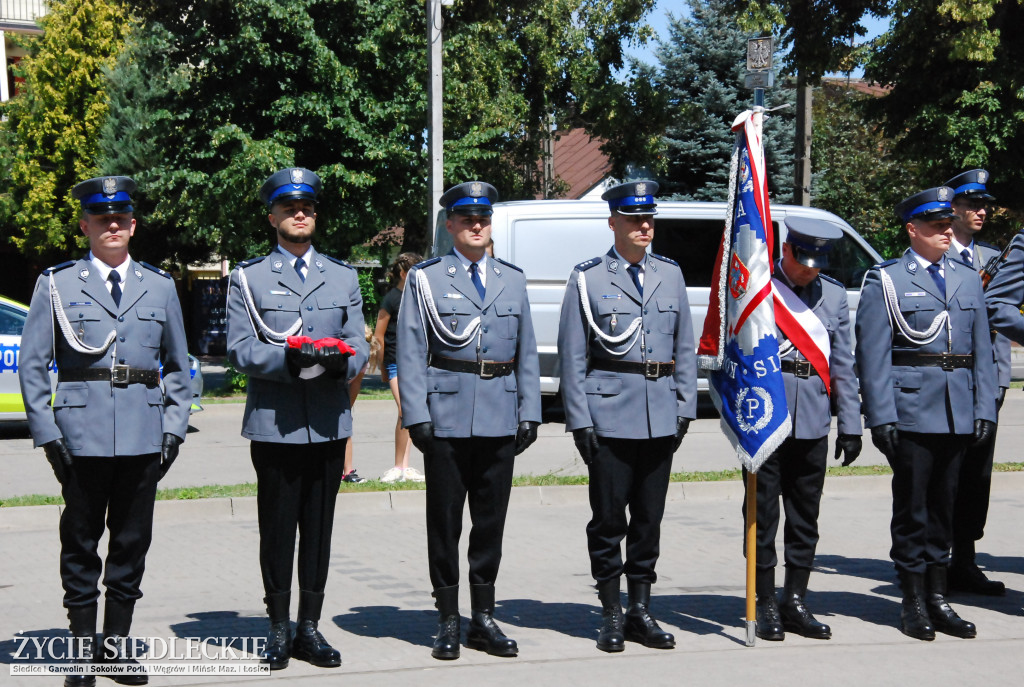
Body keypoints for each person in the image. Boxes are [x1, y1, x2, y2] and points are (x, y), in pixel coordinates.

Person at [19, 175, 191, 686]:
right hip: (80, 437)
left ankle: (114, 650)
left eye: (121, 218)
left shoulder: (158, 286)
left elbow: (179, 367)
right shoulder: (56, 283)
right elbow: (33, 365)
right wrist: (49, 435)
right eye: (101, 218)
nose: (111, 225)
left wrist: (174, 429)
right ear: (85, 225)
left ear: (133, 226)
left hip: (143, 435)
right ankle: (80, 654)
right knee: (80, 546)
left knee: (130, 546)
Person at [225, 167, 368, 670]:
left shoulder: (343, 275)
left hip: (328, 421)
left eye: (306, 208)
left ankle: (310, 625)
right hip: (275, 422)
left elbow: (360, 348)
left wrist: (340, 361)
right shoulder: (248, 277)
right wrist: (289, 360)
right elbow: (239, 349)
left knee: (320, 528)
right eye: (289, 208)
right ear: (273, 217)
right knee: (278, 528)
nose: (299, 214)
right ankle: (278, 626)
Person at [397, 181, 541, 660]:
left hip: (500, 415)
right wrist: (415, 415)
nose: (476, 225)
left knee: (489, 523)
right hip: (446, 417)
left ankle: (483, 617)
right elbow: (412, 351)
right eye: (466, 218)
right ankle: (446, 618)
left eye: (483, 218)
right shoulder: (426, 278)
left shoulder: (512, 278)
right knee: (444, 524)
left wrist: (530, 411)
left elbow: (525, 352)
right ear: (451, 224)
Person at [557, 180, 697, 653]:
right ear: (613, 221)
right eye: (635, 218)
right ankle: (611, 611)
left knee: (649, 520)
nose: (645, 226)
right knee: (609, 520)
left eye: (650, 218)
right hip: (609, 413)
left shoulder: (670, 275)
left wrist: (684, 407)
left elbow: (684, 347)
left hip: (659, 413)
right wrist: (579, 420)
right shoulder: (589, 277)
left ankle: (641, 610)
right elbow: (573, 357)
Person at [856, 186, 997, 641]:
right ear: (912, 229)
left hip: (958, 408)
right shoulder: (887, 279)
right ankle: (913, 600)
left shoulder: (966, 277)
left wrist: (984, 408)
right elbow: (873, 355)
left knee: (945, 507)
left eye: (946, 225)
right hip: (911, 407)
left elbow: (981, 351)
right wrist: (880, 416)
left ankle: (940, 598)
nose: (945, 231)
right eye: (936, 226)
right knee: (913, 509)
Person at [745, 217, 862, 642]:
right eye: (803, 260)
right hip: (766, 419)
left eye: (818, 262)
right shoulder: (758, 289)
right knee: (763, 516)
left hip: (813, 419)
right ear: (787, 251)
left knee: (805, 517)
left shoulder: (832, 295)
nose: (810, 270)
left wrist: (850, 424)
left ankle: (795, 600)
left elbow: (844, 366)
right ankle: (763, 600)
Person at [943, 169, 1006, 595]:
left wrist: (999, 382)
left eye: (984, 205)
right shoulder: (937, 257)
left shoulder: (993, 258)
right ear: (954, 209)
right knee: (943, 474)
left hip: (989, 383)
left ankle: (966, 558)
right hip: (949, 382)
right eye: (971, 205)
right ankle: (932, 562)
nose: (981, 211)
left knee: (977, 476)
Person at [372, 252, 424, 483]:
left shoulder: (422, 298)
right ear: (403, 273)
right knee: (405, 410)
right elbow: (378, 336)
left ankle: (405, 467)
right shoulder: (392, 298)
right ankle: (396, 466)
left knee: (410, 413)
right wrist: (382, 367)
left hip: (417, 363)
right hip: (395, 363)